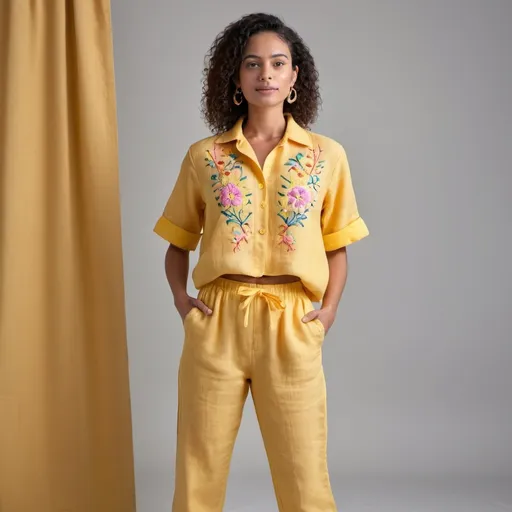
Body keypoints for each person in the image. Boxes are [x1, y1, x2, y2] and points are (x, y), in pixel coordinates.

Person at [153, 12, 369, 512]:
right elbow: (176, 242)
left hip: (292, 319)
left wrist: (328, 312)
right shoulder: (204, 156)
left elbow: (337, 246)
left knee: (304, 471)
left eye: (278, 63)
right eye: (252, 64)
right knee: (197, 467)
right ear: (236, 76)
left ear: (295, 77)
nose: (265, 74)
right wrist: (185, 305)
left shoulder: (326, 156)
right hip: (217, 319)